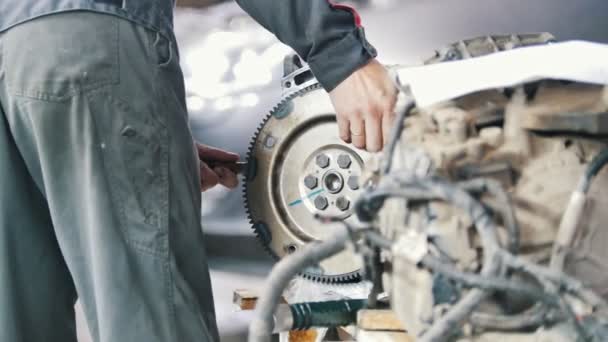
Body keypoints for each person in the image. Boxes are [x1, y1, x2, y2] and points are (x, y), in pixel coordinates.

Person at [0, 1, 397, 341]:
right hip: (93, 35)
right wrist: (340, 53)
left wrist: (154, 139)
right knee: (152, 316)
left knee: (17, 312)